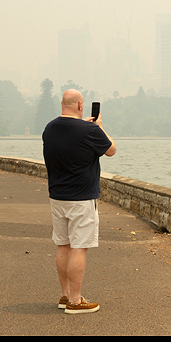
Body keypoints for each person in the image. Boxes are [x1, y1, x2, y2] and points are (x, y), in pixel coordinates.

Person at [42, 89, 116, 314]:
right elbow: (111, 150)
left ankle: (65, 295)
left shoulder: (50, 128)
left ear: (63, 104)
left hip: (57, 196)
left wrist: (87, 127)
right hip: (82, 198)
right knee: (79, 247)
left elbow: (69, 140)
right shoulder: (90, 130)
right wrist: (99, 126)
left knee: (63, 244)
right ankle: (76, 300)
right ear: (81, 105)